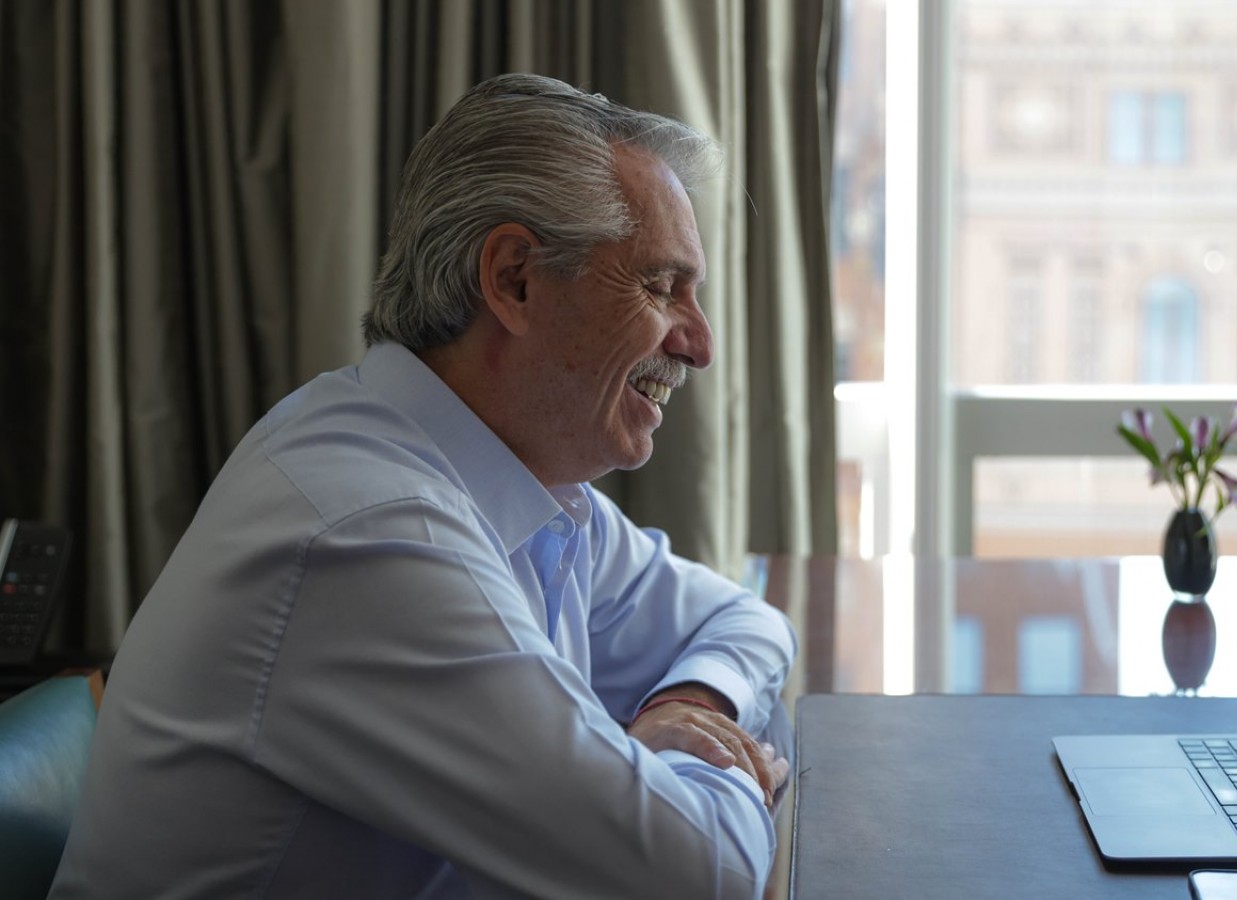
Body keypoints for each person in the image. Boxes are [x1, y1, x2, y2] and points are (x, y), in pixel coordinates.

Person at [49, 74, 795, 900]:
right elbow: (702, 876)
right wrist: (719, 761)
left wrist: (693, 706)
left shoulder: (510, 477)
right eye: (659, 286)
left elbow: (745, 619)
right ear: (513, 278)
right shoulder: (368, 532)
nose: (700, 344)